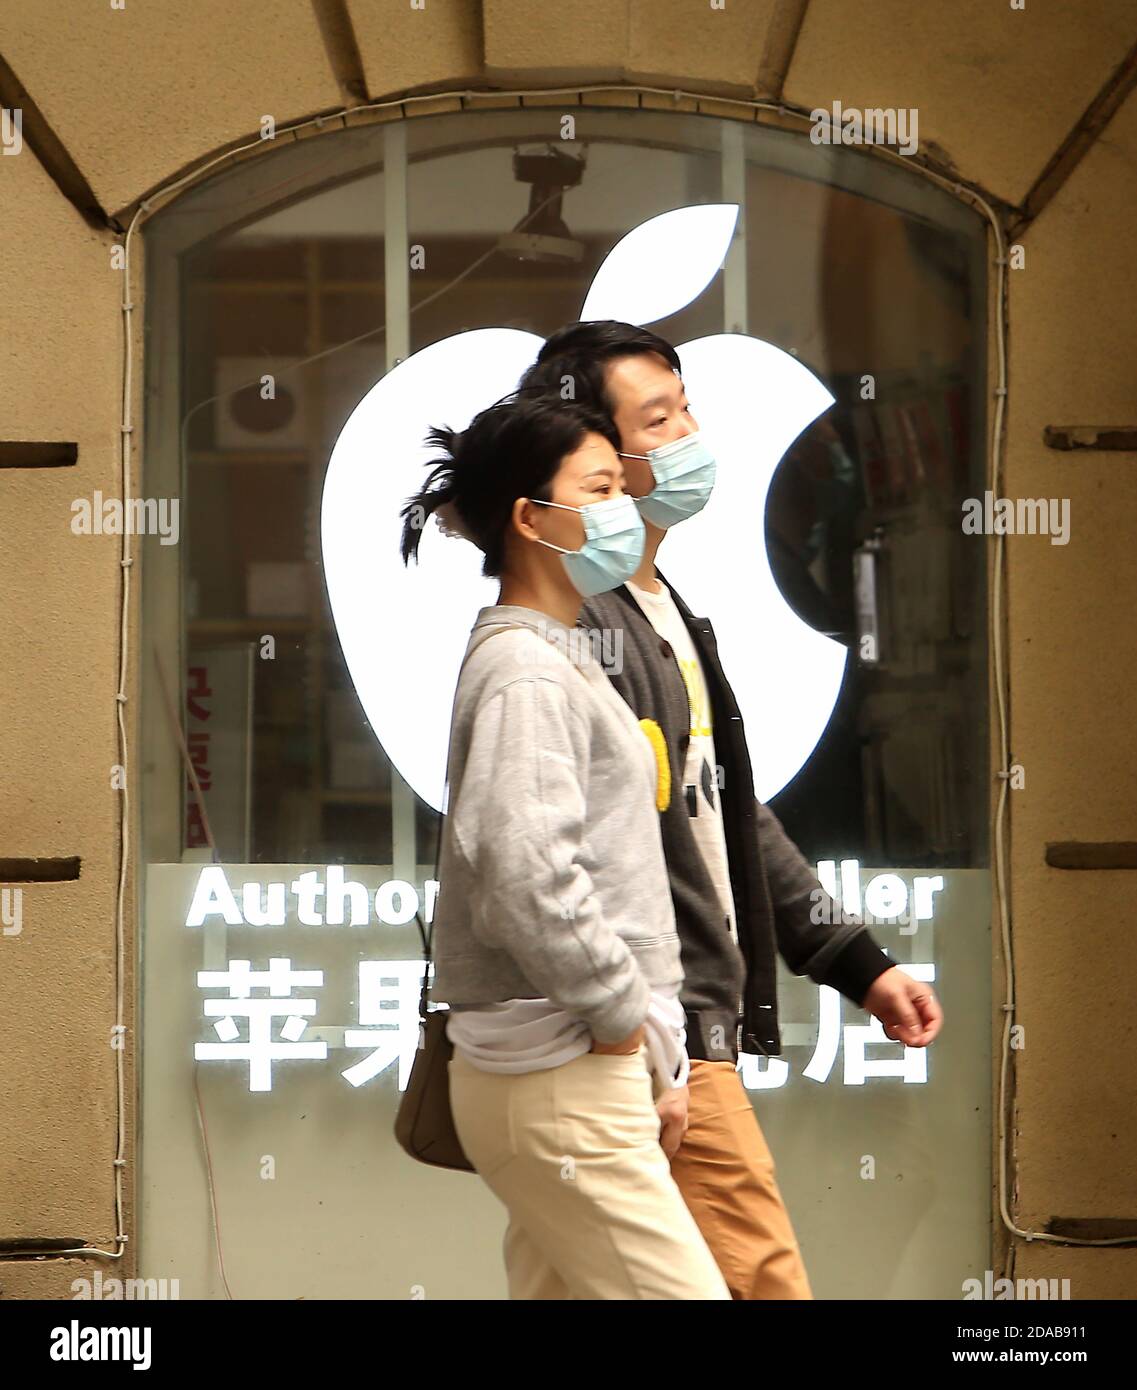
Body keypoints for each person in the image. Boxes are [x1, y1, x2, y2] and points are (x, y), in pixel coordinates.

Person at [518, 321, 944, 1300]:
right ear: (595, 455)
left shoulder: (662, 607)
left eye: (687, 407)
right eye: (659, 418)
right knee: (762, 1281)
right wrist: (640, 1033)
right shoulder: (577, 625)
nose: (691, 435)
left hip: (634, 1041)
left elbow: (727, 815)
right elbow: (546, 849)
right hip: (649, 1034)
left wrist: (856, 962)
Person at [399, 392, 730, 1301]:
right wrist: (625, 1018)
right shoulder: (526, 667)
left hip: (570, 1071)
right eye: (599, 488)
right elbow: (525, 869)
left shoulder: (558, 651)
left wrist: (639, 1045)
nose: (625, 507)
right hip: (559, 1072)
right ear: (530, 517)